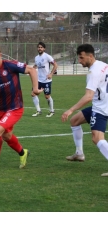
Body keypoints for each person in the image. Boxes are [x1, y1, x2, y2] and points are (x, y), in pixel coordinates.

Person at [61, 44, 108, 177]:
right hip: (102, 103)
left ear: (90, 56)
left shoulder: (93, 72)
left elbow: (88, 96)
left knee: (97, 138)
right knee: (75, 121)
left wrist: (70, 109)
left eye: (81, 58)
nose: (80, 61)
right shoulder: (103, 65)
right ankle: (79, 153)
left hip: (101, 108)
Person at [31, 42, 58, 117]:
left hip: (46, 80)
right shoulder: (36, 58)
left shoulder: (47, 56)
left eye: (41, 47)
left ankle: (52, 111)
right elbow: (36, 65)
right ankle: (38, 111)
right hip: (38, 80)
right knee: (33, 94)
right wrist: (31, 70)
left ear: (44, 49)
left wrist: (51, 74)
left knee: (47, 96)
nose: (39, 48)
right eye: (38, 47)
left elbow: (55, 65)